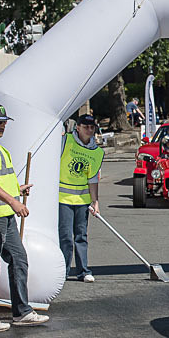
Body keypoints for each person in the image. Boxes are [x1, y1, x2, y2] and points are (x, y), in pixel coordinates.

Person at [0, 102, 49, 331]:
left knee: (19, 259)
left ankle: (22, 312)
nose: (2, 126)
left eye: (4, 123)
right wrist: (12, 200)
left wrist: (16, 190)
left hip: (4, 214)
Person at [59, 114, 104, 283]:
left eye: (92, 127)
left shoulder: (97, 152)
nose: (89, 130)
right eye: (86, 127)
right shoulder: (66, 142)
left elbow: (92, 179)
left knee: (81, 236)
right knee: (64, 237)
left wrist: (95, 202)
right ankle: (62, 272)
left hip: (82, 201)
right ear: (77, 127)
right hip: (63, 199)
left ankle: (83, 271)